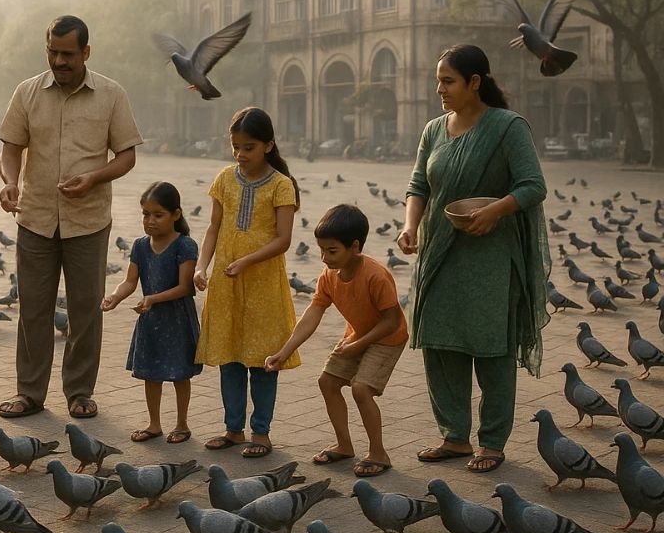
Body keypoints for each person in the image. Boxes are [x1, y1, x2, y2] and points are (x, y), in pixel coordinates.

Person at [397, 44, 549, 474]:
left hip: (491, 255)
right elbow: (418, 186)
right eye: (438, 81)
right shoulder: (433, 130)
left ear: (475, 82)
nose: (439, 89)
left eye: (448, 81)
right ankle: (454, 436)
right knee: (441, 343)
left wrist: (495, 210)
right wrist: (411, 226)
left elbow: (532, 186)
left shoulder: (507, 127)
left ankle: (492, 442)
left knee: (492, 347)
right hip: (440, 251)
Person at [0, 15, 143, 420]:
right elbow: (11, 148)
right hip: (36, 217)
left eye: (68, 54)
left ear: (86, 53)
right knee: (33, 309)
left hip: (88, 220)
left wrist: (95, 177)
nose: (59, 61)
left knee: (84, 311)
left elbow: (127, 155)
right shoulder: (26, 93)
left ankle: (79, 392)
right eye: (53, 52)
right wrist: (10, 182)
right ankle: (29, 393)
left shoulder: (111, 95)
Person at [265, 204, 409, 477]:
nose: (323, 258)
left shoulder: (376, 275)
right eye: (321, 250)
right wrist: (284, 351)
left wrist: (359, 344)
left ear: (354, 247)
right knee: (327, 382)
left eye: (331, 251)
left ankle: (379, 453)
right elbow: (314, 312)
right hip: (357, 334)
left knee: (361, 389)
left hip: (387, 337)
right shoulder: (329, 275)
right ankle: (344, 445)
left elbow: (392, 321)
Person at [194, 106, 300, 456]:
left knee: (264, 360)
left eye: (249, 147)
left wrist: (246, 261)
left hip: (263, 285)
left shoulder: (282, 186)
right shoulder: (224, 178)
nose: (240, 154)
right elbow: (213, 227)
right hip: (227, 281)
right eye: (235, 146)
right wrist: (201, 266)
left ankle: (261, 432)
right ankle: (233, 428)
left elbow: (283, 240)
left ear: (268, 145)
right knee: (231, 357)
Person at [102, 181, 200, 444]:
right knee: (151, 373)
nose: (150, 221)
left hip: (177, 318)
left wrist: (153, 298)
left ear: (176, 215)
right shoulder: (140, 246)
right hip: (151, 319)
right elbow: (130, 281)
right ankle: (154, 423)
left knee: (181, 373)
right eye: (146, 214)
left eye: (158, 215)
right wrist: (115, 297)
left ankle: (182, 423)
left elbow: (185, 287)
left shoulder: (185, 245)